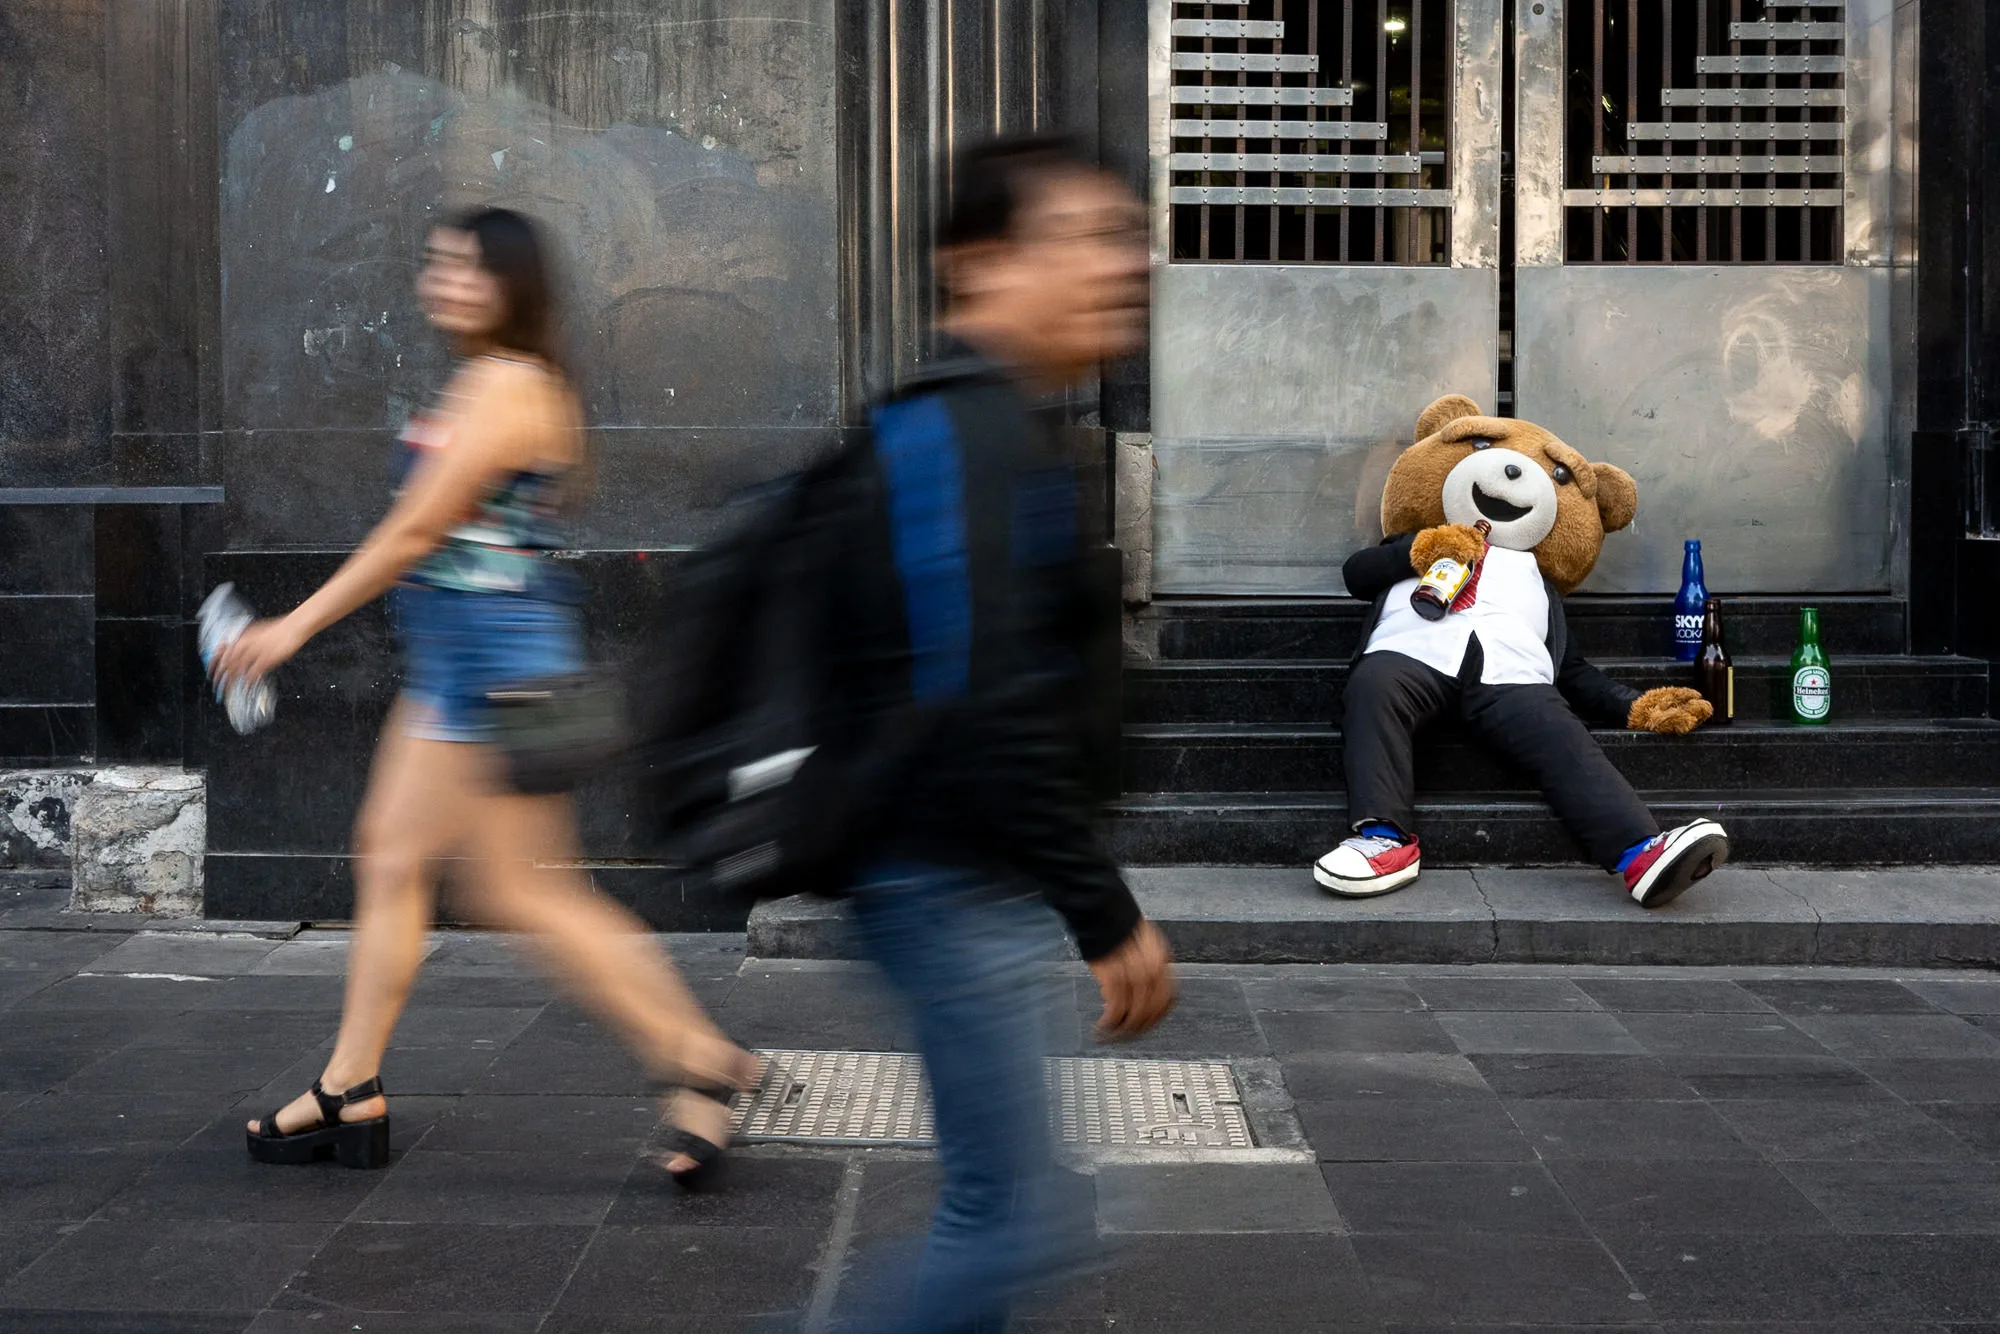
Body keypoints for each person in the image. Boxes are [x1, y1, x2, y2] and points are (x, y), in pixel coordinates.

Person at [210, 208, 757, 1182]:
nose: (448, 281)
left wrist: (292, 627)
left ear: (516, 285)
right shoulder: (485, 377)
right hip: (464, 671)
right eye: (439, 263)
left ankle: (699, 1057)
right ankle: (349, 1086)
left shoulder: (512, 385)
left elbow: (418, 530)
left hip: (503, 679)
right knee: (392, 856)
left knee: (522, 890)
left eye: (473, 268)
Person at [822, 135, 1176, 1332]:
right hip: (938, 872)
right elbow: (978, 695)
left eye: (1123, 237)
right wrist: (1101, 907)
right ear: (975, 263)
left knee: (1011, 1205)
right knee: (1012, 1214)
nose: (1116, 265)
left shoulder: (1004, 427)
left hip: (969, 869)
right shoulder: (960, 433)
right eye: (1079, 237)